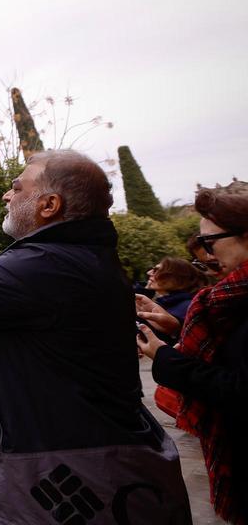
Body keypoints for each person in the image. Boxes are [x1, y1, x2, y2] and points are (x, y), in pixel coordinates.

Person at [0, 149, 190, 524]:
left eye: (17, 187)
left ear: (50, 204)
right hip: (85, 455)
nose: (7, 195)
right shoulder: (69, 257)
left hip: (70, 473)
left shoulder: (50, 264)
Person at [139, 181, 248, 524]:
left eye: (208, 242)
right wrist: (175, 330)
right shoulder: (232, 295)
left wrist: (166, 357)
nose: (205, 254)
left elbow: (239, 389)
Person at [146, 256, 207, 323]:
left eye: (156, 270)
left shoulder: (187, 309)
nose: (149, 273)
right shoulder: (167, 303)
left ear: (177, 278)